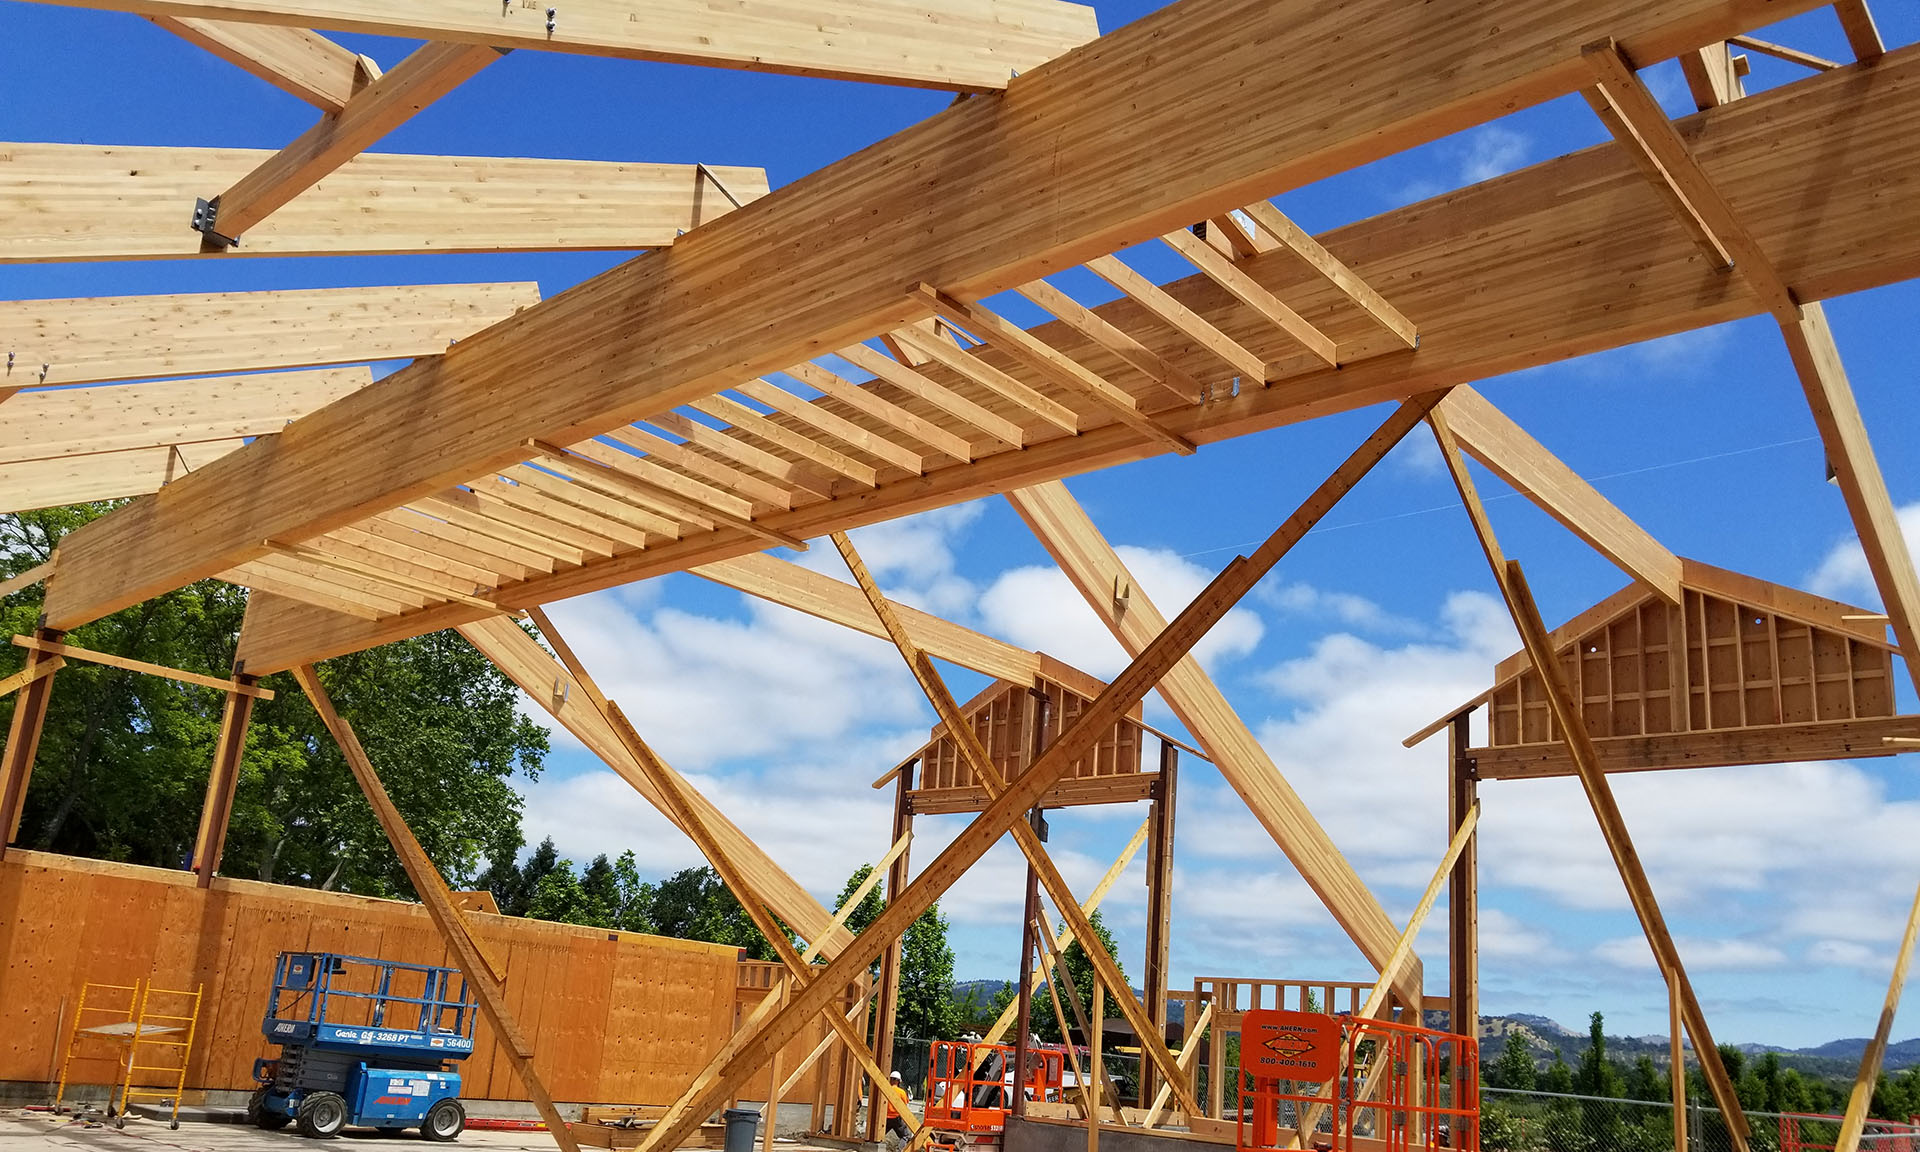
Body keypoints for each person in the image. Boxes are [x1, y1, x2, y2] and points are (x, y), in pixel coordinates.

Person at [885, 1071, 912, 1144]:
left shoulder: (885, 1089)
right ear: (898, 1081)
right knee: (905, 1136)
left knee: (878, 1135)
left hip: (885, 1118)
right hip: (897, 1118)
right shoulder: (901, 1092)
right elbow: (905, 1106)